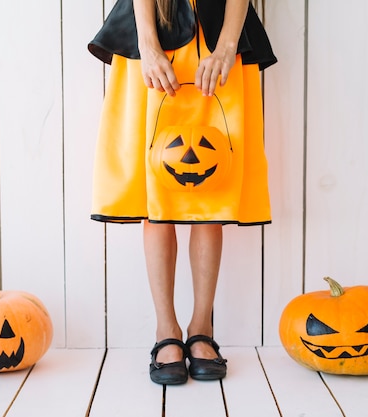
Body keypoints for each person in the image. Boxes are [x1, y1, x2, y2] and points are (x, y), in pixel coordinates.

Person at [88, 0, 276, 385]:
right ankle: (166, 331)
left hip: (219, 32)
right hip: (152, 25)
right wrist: (148, 45)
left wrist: (226, 46)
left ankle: (201, 327)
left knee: (213, 185)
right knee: (155, 188)